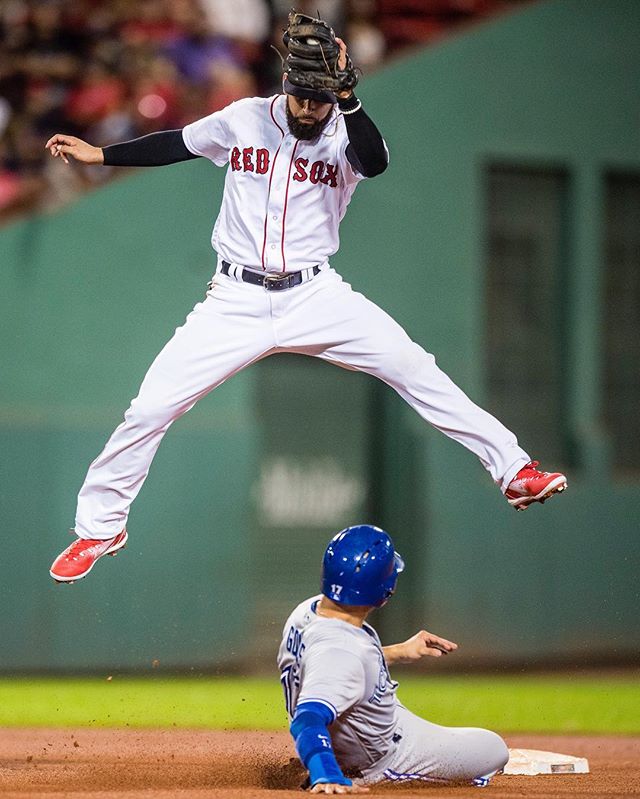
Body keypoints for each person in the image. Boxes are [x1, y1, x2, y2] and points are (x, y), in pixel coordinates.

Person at [46, 12, 566, 584]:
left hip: (315, 294)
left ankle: (514, 470)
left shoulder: (349, 133)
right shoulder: (246, 118)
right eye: (301, 98)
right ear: (286, 86)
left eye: (320, 101)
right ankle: (100, 528)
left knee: (416, 369)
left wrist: (346, 100)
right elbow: (180, 142)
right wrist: (102, 155)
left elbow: (376, 163)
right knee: (149, 409)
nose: (307, 111)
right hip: (234, 299)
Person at [277, 524, 510, 793]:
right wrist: (326, 774)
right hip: (381, 757)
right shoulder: (342, 650)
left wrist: (399, 651)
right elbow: (307, 719)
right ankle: (341, 768)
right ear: (384, 589)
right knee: (493, 748)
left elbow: (335, 668)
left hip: (374, 717)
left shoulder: (307, 611)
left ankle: (330, 759)